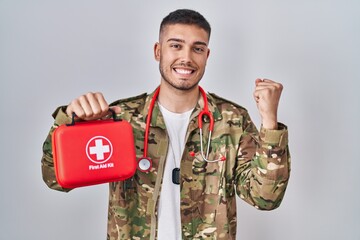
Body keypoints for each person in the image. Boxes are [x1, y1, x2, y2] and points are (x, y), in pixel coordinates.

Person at [42, 9, 290, 240]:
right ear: (158, 51)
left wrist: (270, 122)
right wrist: (68, 122)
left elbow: (265, 198)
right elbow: (54, 178)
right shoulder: (121, 119)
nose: (186, 58)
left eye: (198, 49)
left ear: (207, 56)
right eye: (176, 46)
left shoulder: (231, 119)